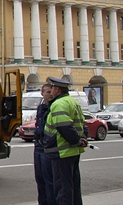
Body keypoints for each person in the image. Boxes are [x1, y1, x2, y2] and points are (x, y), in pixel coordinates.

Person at [43, 77, 88, 205]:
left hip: (62, 152)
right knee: (73, 189)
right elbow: (82, 124)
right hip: (72, 151)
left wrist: (76, 141)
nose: (50, 91)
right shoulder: (72, 101)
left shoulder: (59, 104)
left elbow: (64, 126)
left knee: (63, 190)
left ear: (57, 89)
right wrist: (82, 139)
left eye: (51, 88)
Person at [33, 83, 55, 205]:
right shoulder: (41, 107)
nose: (50, 94)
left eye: (51, 91)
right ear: (42, 93)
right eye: (48, 92)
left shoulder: (54, 107)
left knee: (49, 181)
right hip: (38, 146)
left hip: (47, 147)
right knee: (40, 179)